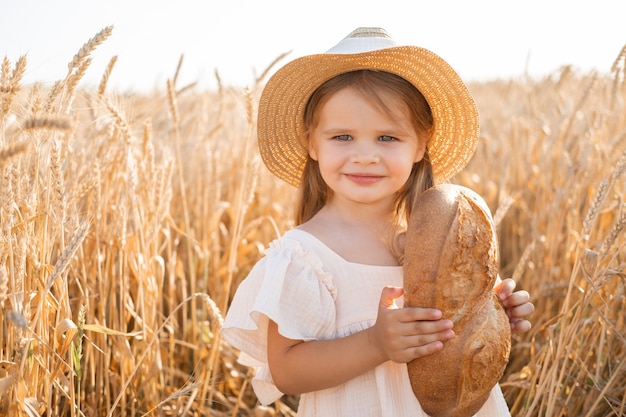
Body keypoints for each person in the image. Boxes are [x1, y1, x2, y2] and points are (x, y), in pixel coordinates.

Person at [221, 27, 534, 416]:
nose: (365, 155)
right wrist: (375, 344)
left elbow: (456, 343)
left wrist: (492, 314)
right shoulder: (304, 256)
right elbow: (286, 370)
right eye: (343, 137)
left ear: (421, 144)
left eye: (387, 138)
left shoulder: (441, 244)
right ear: (312, 143)